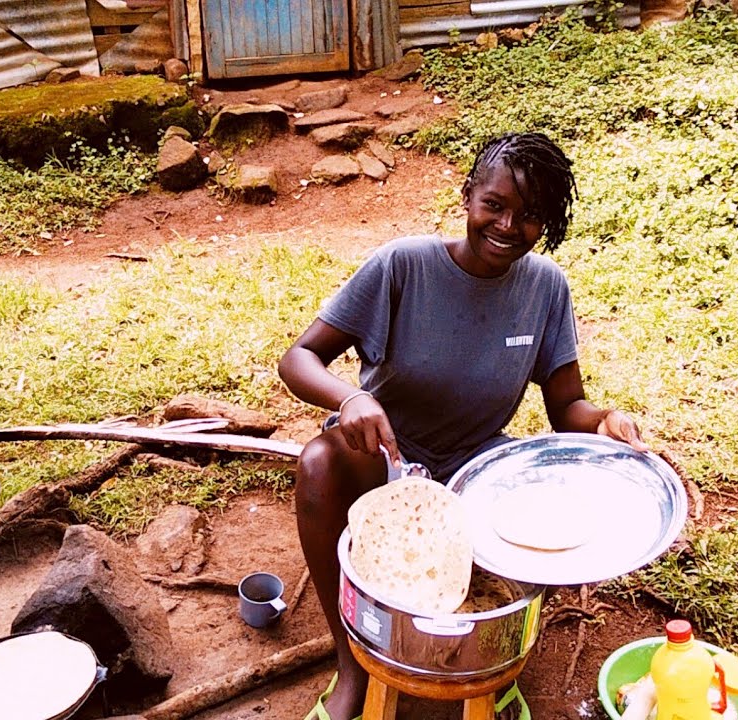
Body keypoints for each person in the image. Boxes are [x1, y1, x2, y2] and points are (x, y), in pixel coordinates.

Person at [278, 132, 649, 720]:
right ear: (468, 196)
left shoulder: (545, 287)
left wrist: (603, 422)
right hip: (387, 456)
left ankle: (494, 666)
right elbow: (299, 359)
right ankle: (350, 667)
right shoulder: (404, 266)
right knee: (319, 464)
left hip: (480, 468)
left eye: (530, 216)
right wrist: (350, 399)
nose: (507, 226)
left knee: (545, 505)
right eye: (494, 205)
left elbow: (567, 409)